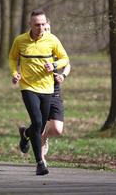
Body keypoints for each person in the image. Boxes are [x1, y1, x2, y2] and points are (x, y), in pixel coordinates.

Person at [9, 9, 69, 175]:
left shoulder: (52, 39)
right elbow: (12, 58)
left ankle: (25, 134)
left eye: (43, 24)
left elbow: (65, 58)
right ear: (30, 24)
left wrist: (54, 66)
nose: (41, 27)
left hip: (47, 87)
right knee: (36, 121)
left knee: (41, 126)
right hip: (28, 87)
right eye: (37, 24)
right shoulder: (20, 40)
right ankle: (40, 163)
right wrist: (15, 73)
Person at [40, 22, 71, 163]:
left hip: (55, 89)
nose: (45, 31)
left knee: (57, 129)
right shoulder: (35, 45)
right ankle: (40, 159)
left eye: (48, 28)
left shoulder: (54, 42)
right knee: (39, 124)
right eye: (43, 28)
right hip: (38, 89)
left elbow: (67, 63)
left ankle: (43, 136)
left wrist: (63, 75)